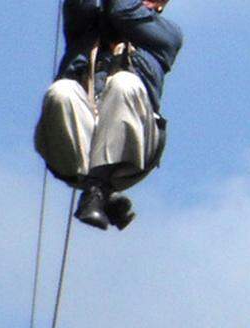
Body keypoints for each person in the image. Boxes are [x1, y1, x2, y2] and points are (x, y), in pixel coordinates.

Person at [35, 0, 183, 231]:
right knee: (61, 92)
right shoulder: (86, 27)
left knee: (125, 83)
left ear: (159, 6)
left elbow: (121, 9)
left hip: (132, 154)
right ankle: (99, 190)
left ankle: (98, 190)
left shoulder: (166, 35)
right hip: (73, 152)